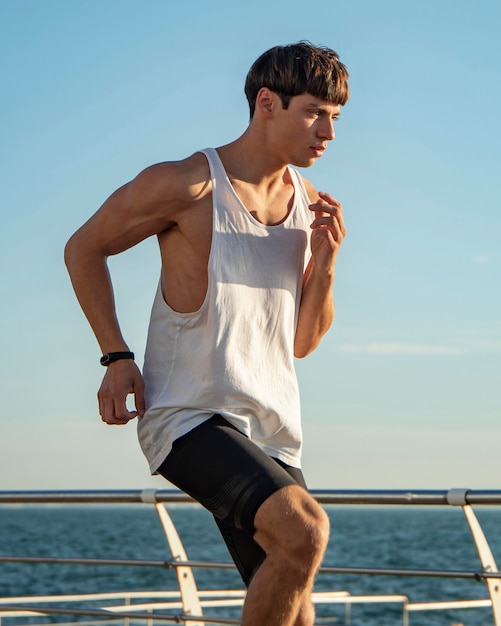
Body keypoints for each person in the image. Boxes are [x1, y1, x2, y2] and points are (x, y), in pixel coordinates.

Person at [65, 41, 349, 626]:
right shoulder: (189, 184)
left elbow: (300, 342)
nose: (328, 132)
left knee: (297, 611)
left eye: (336, 117)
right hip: (187, 414)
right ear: (267, 102)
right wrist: (116, 356)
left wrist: (324, 264)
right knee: (306, 530)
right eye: (314, 112)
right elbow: (83, 248)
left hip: (269, 427)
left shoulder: (312, 207)